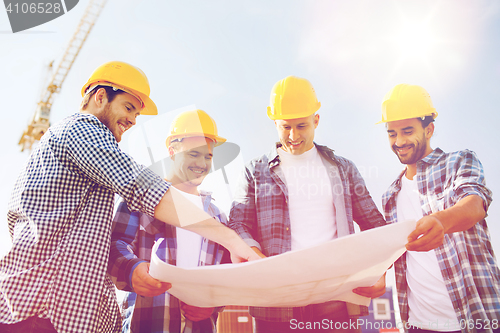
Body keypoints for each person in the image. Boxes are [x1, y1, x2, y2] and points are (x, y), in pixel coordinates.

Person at [0, 61, 258, 333]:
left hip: (57, 312)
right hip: (39, 310)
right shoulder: (81, 129)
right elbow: (140, 186)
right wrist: (231, 239)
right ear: (100, 97)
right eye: (128, 107)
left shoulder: (84, 159)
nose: (133, 120)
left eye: (136, 114)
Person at [228, 75, 387, 333]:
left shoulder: (343, 169)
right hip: (276, 304)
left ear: (316, 120)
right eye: (285, 127)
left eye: (301, 126)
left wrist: (379, 270)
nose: (293, 136)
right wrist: (256, 258)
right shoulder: (254, 171)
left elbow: (375, 225)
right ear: (274, 122)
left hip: (337, 304)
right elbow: (238, 223)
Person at [378, 84, 500, 333]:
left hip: (474, 317)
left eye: (407, 131)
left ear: (429, 129)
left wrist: (442, 221)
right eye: (392, 133)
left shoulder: (459, 161)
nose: (399, 141)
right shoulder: (390, 195)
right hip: (418, 325)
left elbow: (475, 202)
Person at [108, 109, 229, 333]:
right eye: (194, 154)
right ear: (172, 151)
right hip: (147, 323)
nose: (202, 163)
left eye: (208, 156)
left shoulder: (217, 217)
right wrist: (132, 270)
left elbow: (227, 274)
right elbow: (113, 247)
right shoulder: (140, 200)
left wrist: (213, 304)